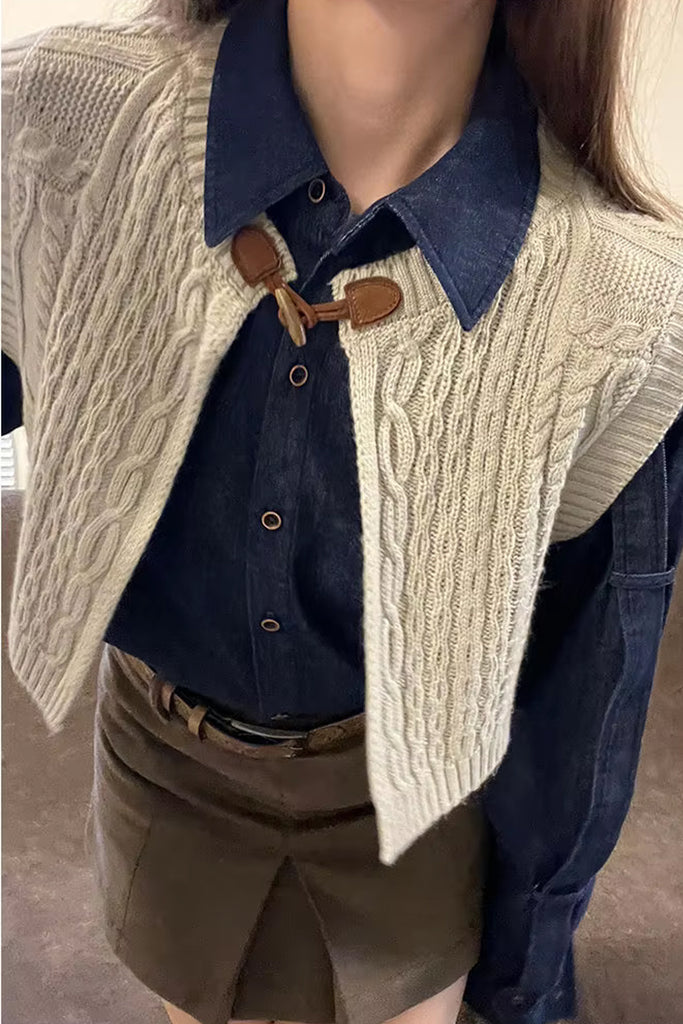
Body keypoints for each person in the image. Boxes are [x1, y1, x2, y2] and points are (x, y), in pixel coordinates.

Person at [1, 1, 682, 1023]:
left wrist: (525, 972)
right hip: (161, 763)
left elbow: (588, 684)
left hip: (411, 805)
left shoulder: (625, 305)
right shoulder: (52, 123)